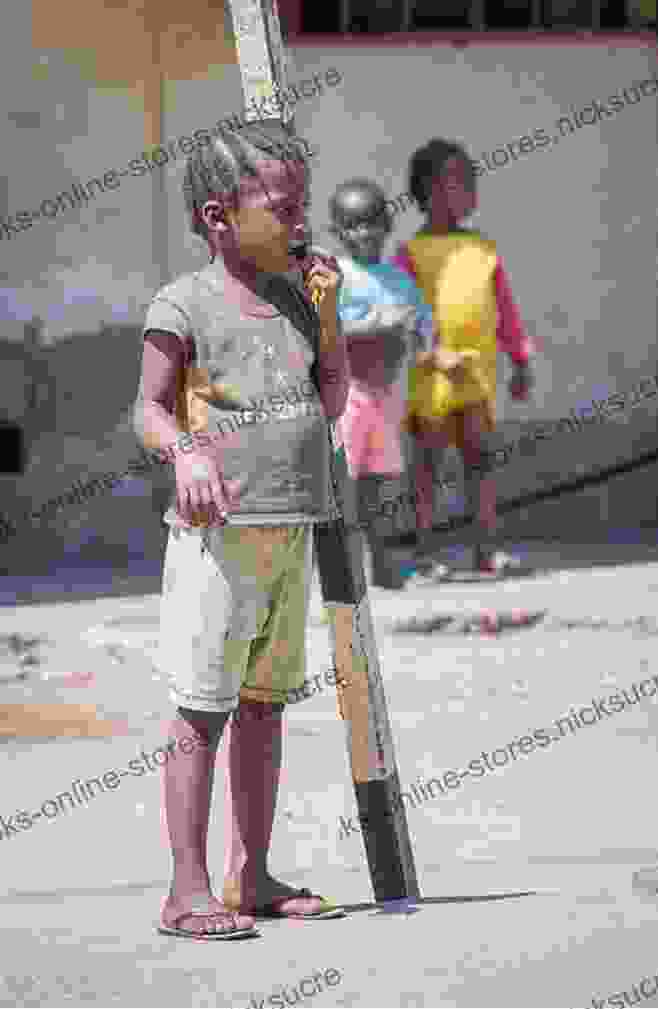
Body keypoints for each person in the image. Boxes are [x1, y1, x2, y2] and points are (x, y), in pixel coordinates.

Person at [134, 119, 348, 939]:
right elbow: (148, 407)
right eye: (283, 206)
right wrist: (186, 449)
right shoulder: (182, 303)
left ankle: (249, 875)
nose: (301, 220)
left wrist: (327, 313)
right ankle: (185, 889)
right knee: (202, 710)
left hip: (291, 529)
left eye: (302, 205)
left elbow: (331, 401)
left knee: (264, 706)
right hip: (218, 538)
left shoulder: (299, 296)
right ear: (219, 216)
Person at [390, 138, 535, 579]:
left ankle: (486, 553)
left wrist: (521, 360)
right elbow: (401, 319)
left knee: (481, 463)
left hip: (476, 376)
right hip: (431, 378)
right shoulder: (409, 256)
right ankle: (425, 556)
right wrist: (433, 354)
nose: (473, 190)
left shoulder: (484, 251)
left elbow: (505, 310)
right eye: (464, 182)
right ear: (432, 191)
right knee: (427, 470)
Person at [328, 177, 434, 588]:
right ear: (339, 232)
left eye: (373, 223)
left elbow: (420, 320)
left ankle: (384, 567)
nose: (365, 233)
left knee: (383, 483)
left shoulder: (398, 280)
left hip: (387, 397)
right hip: (350, 395)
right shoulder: (335, 277)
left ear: (387, 228)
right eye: (354, 225)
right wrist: (375, 326)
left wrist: (429, 345)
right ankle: (344, 569)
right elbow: (324, 332)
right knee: (347, 482)